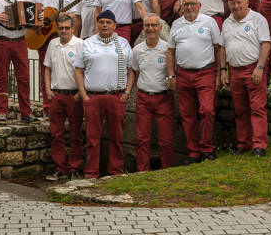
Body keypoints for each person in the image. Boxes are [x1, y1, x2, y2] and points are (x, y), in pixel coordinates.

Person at [74, 10, 133, 179]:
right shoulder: (88, 43)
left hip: (116, 96)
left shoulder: (123, 43)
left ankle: (116, 172)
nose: (105, 25)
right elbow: (78, 70)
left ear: (115, 25)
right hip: (93, 97)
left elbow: (131, 70)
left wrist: (127, 92)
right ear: (97, 24)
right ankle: (91, 173)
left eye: (108, 22)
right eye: (101, 22)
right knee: (92, 138)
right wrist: (84, 95)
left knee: (117, 137)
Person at [167, 0, 222, 164]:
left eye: (192, 4)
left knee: (207, 110)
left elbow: (218, 48)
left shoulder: (209, 22)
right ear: (181, 7)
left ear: (199, 5)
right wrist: (171, 75)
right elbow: (170, 52)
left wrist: (220, 72)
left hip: (205, 72)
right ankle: (193, 152)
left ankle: (207, 148)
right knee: (187, 114)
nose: (189, 7)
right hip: (183, 74)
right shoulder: (176, 24)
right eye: (186, 4)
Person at [220, 0, 271, 157]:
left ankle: (259, 145)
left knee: (257, 108)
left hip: (253, 69)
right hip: (234, 70)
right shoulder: (227, 22)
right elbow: (222, 48)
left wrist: (260, 67)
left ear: (247, 2)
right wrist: (223, 70)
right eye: (232, 2)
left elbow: (265, 44)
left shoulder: (257, 19)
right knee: (240, 109)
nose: (235, 6)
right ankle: (243, 143)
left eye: (239, 2)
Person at [129, 13, 175, 171]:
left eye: (153, 25)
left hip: (163, 97)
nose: (150, 29)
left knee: (166, 139)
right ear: (143, 29)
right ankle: (142, 171)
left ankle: (166, 170)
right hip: (143, 97)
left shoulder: (167, 49)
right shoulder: (137, 50)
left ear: (160, 28)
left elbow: (173, 73)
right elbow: (134, 72)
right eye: (147, 25)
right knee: (142, 138)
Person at [28, 0, 73, 117]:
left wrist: (66, 16)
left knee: (64, 70)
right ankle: (47, 107)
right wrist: (37, 18)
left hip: (62, 35)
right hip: (44, 37)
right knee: (45, 70)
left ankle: (62, 107)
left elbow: (73, 15)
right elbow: (26, 13)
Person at [44, 14, 85, 180]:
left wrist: (80, 93)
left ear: (72, 28)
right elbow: (47, 69)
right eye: (61, 28)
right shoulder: (52, 44)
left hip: (73, 96)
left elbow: (85, 70)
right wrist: (47, 90)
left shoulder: (80, 44)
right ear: (57, 28)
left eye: (67, 28)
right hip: (56, 95)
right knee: (56, 134)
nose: (64, 31)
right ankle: (60, 168)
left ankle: (74, 168)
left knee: (76, 134)